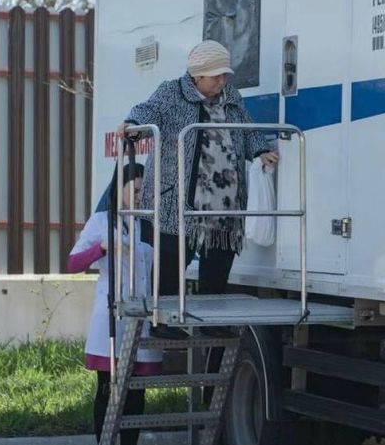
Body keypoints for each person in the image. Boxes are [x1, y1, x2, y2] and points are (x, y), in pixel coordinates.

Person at [116, 40, 278, 303]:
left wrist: (260, 151)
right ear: (198, 75)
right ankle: (163, 321)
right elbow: (148, 110)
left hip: (223, 209)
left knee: (216, 277)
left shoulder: (232, 97)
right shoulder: (172, 92)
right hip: (178, 207)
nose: (223, 81)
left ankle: (209, 319)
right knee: (169, 274)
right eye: (216, 76)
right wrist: (133, 125)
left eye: (225, 74)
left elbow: (248, 130)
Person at [67, 163, 160, 445]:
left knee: (136, 391)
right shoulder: (101, 221)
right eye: (135, 190)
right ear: (119, 187)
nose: (140, 197)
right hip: (110, 317)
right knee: (108, 388)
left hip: (142, 315)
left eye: (143, 192)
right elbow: (72, 263)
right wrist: (102, 247)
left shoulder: (148, 224)